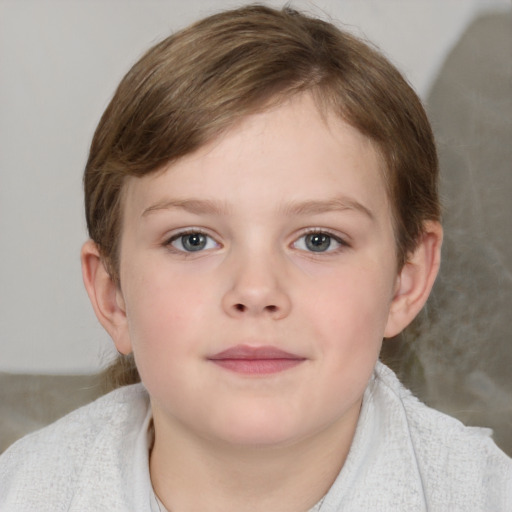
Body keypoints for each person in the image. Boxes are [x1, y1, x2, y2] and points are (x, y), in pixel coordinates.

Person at [0, 5, 510, 511]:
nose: (256, 291)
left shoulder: (484, 495)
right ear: (113, 296)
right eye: (193, 240)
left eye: (318, 240)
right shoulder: (24, 491)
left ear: (405, 281)